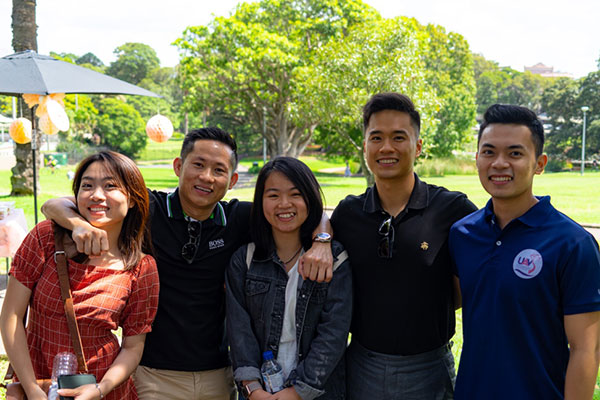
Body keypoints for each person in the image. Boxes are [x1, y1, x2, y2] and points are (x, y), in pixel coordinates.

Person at [42, 128, 334, 400]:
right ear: (178, 166)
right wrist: (78, 224)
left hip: (218, 376)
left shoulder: (240, 219)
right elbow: (54, 204)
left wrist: (322, 241)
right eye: (198, 165)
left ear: (232, 180)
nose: (206, 177)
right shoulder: (147, 210)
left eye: (218, 170)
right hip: (152, 375)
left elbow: (308, 212)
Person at [330, 92, 477, 399]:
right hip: (362, 367)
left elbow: (477, 278)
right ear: (365, 146)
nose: (386, 147)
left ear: (418, 146)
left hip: (430, 369)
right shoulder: (348, 214)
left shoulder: (452, 209)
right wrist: (321, 237)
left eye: (399, 137)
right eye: (376, 138)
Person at [449, 104, 600, 399]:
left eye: (515, 153)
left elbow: (586, 349)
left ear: (539, 164)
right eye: (489, 152)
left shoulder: (572, 243)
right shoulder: (462, 234)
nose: (499, 163)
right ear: (477, 158)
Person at [0, 151, 159, 400]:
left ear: (131, 199)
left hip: (101, 386)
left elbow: (132, 347)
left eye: (110, 186)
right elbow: (11, 315)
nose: (96, 195)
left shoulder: (141, 268)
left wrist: (101, 388)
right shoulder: (46, 238)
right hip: (38, 379)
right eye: (87, 185)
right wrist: (31, 389)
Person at [226, 157, 352, 400]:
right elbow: (240, 332)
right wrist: (253, 389)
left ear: (310, 198)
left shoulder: (333, 260)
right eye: (273, 195)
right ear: (261, 201)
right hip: (259, 392)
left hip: (318, 392)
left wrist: (297, 392)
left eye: (295, 194)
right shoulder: (245, 260)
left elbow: (333, 335)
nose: (284, 204)